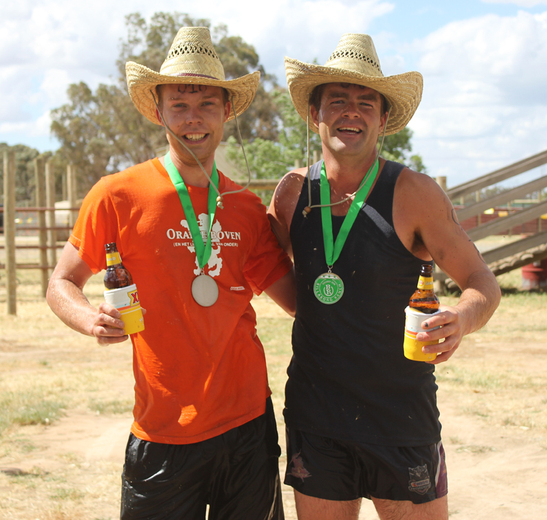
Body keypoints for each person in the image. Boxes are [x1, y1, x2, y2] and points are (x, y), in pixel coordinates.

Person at [46, 27, 294, 520]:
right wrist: (89, 319)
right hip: (162, 429)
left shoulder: (246, 207)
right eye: (179, 105)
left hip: (247, 422)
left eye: (206, 104)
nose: (193, 118)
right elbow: (61, 283)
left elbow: (299, 301)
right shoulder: (117, 195)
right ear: (159, 112)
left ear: (227, 110)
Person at [268, 33, 501, 520]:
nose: (351, 113)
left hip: (401, 416)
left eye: (365, 102)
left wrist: (461, 318)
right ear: (315, 113)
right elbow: (267, 272)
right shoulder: (291, 193)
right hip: (317, 416)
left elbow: (482, 281)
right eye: (337, 100)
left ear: (383, 117)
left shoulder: (415, 193)